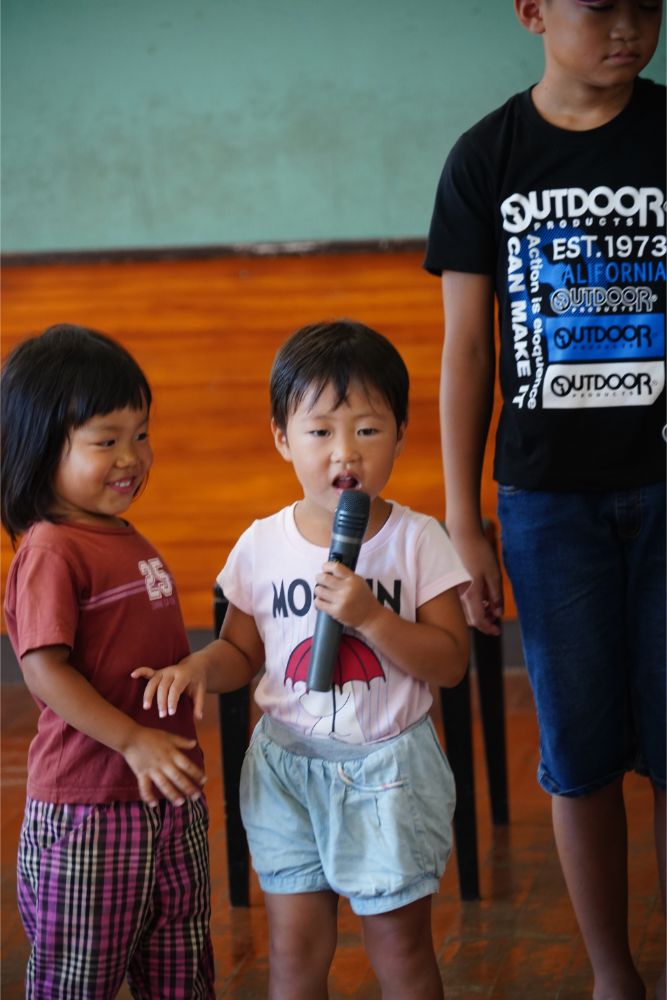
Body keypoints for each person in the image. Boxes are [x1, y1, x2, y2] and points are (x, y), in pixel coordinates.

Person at [424, 1, 665, 998]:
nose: (628, 25)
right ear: (530, 11)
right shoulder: (486, 157)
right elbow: (467, 351)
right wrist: (463, 519)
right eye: (598, 4)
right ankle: (612, 977)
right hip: (547, 507)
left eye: (646, 4)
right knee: (578, 751)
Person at [133, 320, 470, 1000]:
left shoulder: (418, 540)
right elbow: (240, 651)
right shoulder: (262, 544)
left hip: (388, 772)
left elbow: (450, 662)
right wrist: (198, 669)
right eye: (319, 431)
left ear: (401, 433)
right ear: (282, 438)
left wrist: (371, 618)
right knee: (292, 953)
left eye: (367, 429)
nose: (345, 451)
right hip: (284, 769)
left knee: (400, 949)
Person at [1, 324, 215, 999]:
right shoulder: (51, 548)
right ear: (42, 448)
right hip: (90, 812)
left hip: (167, 799)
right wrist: (131, 741)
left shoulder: (124, 537)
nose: (132, 457)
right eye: (106, 441)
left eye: (140, 434)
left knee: (181, 970)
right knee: (78, 981)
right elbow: (44, 669)